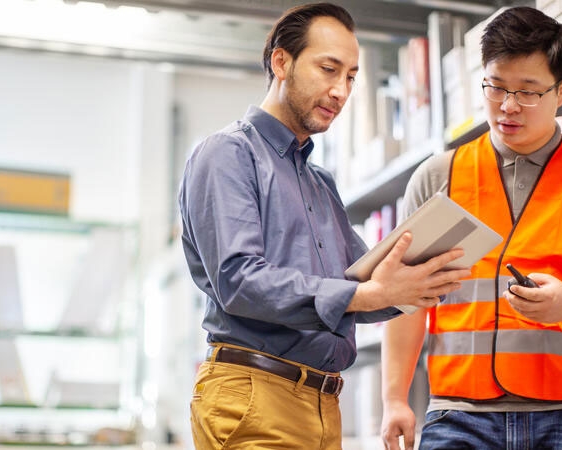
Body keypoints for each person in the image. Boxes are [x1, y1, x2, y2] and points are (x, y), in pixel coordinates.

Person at [178, 2, 471, 448]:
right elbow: (238, 280)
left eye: (351, 77)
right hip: (254, 394)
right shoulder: (228, 154)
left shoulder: (319, 183)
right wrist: (366, 293)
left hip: (321, 402)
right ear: (282, 61)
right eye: (328, 69)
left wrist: (413, 281)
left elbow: (356, 285)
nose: (340, 90)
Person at [380, 6, 562, 450]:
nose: (508, 106)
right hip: (458, 417)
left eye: (528, 91)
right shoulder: (439, 178)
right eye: (496, 87)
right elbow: (403, 298)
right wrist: (394, 398)